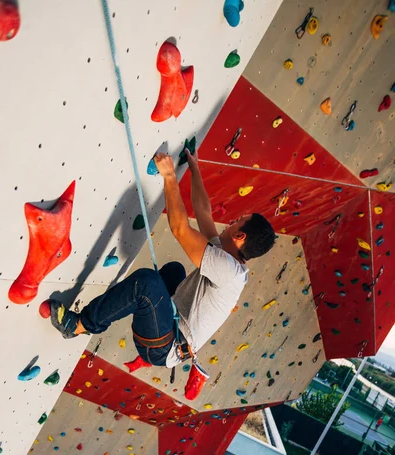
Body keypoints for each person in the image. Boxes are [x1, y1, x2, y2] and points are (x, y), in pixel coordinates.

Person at [49, 150, 276, 399]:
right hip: (171, 326)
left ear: (239, 237)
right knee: (174, 271)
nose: (232, 220)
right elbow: (203, 211)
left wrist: (169, 176)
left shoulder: (228, 271)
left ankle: (80, 325)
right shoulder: (228, 256)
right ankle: (134, 309)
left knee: (146, 284)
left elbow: (180, 229)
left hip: (162, 348)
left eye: (238, 221)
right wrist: (195, 168)